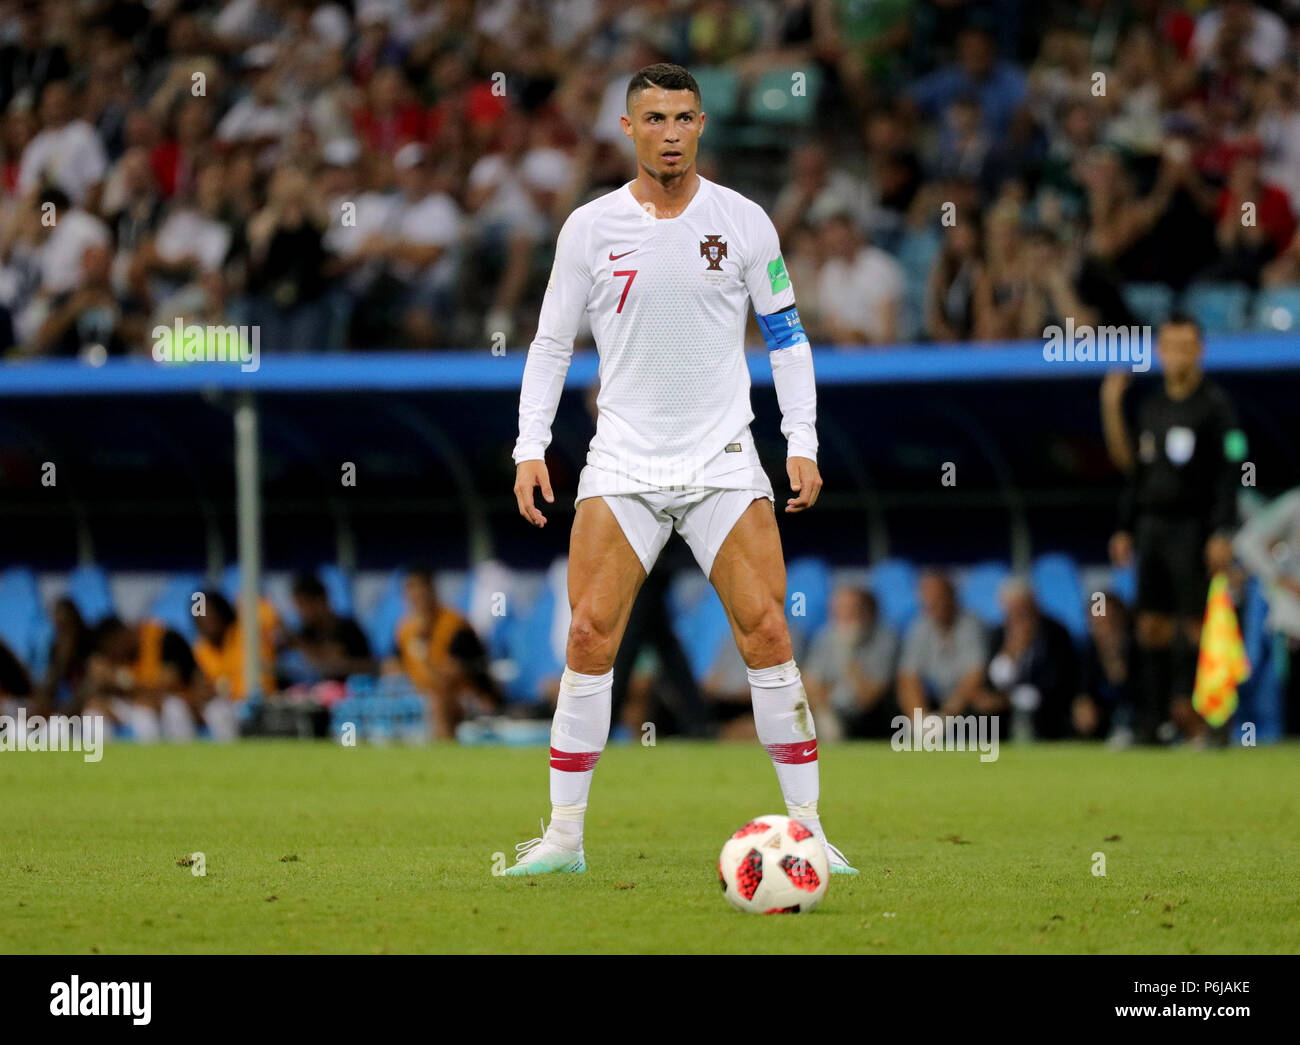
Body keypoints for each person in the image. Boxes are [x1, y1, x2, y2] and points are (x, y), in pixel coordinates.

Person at [508, 63, 856, 876]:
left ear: (703, 125)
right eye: (654, 118)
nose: (670, 132)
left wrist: (800, 438)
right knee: (590, 637)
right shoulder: (589, 229)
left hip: (722, 457)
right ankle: (563, 839)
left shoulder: (745, 223)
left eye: (684, 117)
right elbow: (552, 344)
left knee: (768, 632)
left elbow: (787, 337)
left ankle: (807, 830)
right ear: (628, 129)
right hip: (623, 458)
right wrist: (530, 446)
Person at [1102, 315, 1248, 744]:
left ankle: (1211, 723)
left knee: (1199, 625)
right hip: (1152, 528)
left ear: (1199, 350)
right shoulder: (1151, 407)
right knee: (1151, 625)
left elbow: (1233, 469)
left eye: (1186, 345)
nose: (1177, 354)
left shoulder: (1216, 407)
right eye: (1169, 345)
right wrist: (1124, 527)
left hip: (1194, 527)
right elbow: (1137, 474)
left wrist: (1222, 530)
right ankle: (1155, 721)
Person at [390, 565, 502, 741]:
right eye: (411, 588)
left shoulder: (454, 625)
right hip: (419, 696)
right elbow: (393, 667)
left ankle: (443, 751)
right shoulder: (404, 629)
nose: (417, 594)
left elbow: (453, 674)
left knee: (439, 699)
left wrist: (424, 649)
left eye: (421, 588)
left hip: (467, 697)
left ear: (432, 590)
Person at [976, 579, 1078, 741]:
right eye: (1012, 610)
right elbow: (993, 682)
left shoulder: (1055, 633)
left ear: (1034, 605)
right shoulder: (998, 634)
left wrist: (1008, 700)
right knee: (978, 711)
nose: (1018, 616)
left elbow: (1056, 683)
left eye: (1023, 609)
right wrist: (1012, 653)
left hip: (1045, 704)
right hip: (1005, 707)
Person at [802, 587, 899, 739]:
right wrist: (824, 712)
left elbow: (868, 698)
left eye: (852, 609)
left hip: (873, 721)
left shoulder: (885, 639)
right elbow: (809, 683)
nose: (845, 615)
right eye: (839, 609)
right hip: (832, 713)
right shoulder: (825, 636)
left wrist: (848, 654)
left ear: (867, 611)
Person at [896, 570, 988, 722]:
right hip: (936, 698)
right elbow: (908, 676)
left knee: (980, 702)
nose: (932, 604)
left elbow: (974, 676)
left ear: (952, 597)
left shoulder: (971, 625)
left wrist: (946, 716)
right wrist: (921, 719)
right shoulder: (920, 627)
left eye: (938, 598)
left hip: (964, 701)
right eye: (927, 599)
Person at [279, 573, 375, 686]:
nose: (300, 612)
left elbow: (331, 661)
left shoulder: (348, 629)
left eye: (303, 604)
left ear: (321, 600)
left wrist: (301, 644)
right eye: (298, 606)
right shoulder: (307, 631)